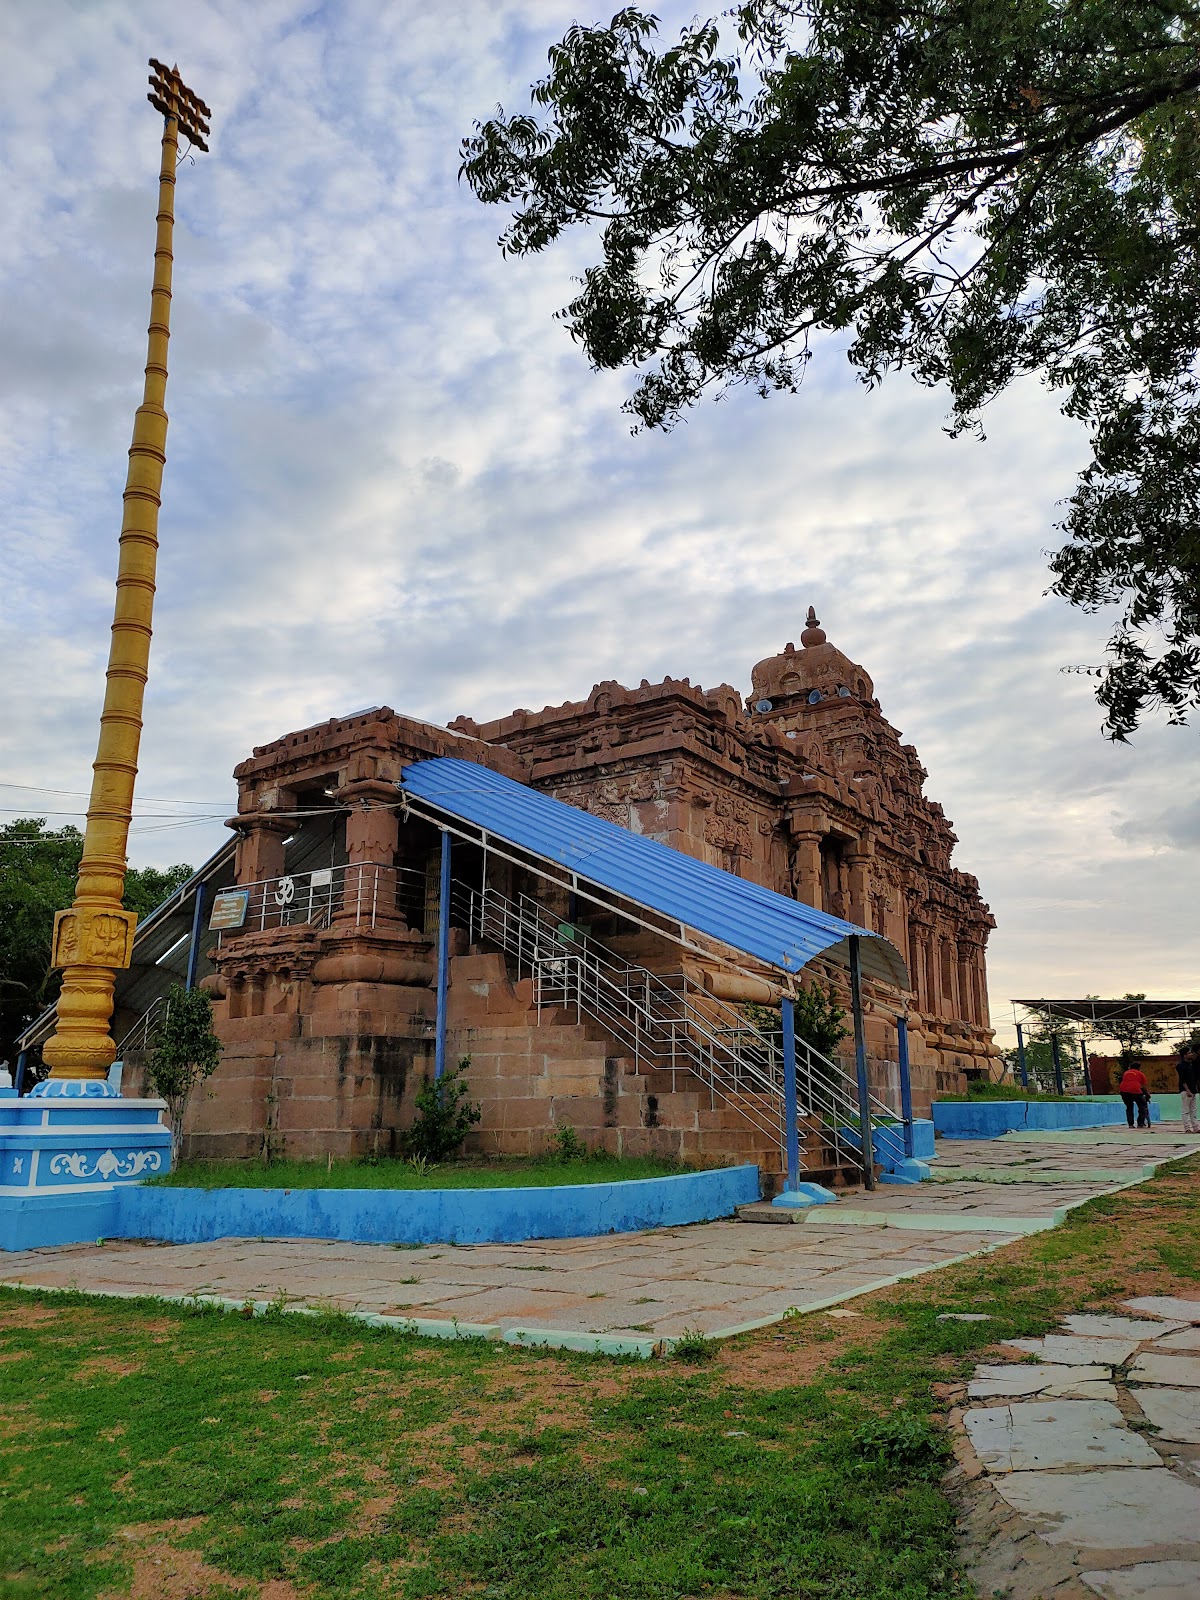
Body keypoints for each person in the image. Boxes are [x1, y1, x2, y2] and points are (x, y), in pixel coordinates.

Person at [1118, 1062, 1152, 1128]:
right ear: (1139, 1068)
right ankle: (1140, 1123)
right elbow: (1144, 1087)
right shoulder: (1141, 1074)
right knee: (1142, 1107)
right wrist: (1147, 1095)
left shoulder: (1126, 1073)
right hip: (1135, 1091)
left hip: (1124, 1091)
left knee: (1129, 1107)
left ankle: (1130, 1124)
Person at [1177, 1041, 1200, 1135]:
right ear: (1184, 1055)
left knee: (1193, 1110)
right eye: (1189, 1053)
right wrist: (1188, 1090)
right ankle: (1187, 1128)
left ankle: (1196, 1127)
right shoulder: (1180, 1065)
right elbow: (1182, 1080)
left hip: (1193, 1090)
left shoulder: (1191, 1064)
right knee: (1185, 1110)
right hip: (1186, 1091)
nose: (1191, 1054)